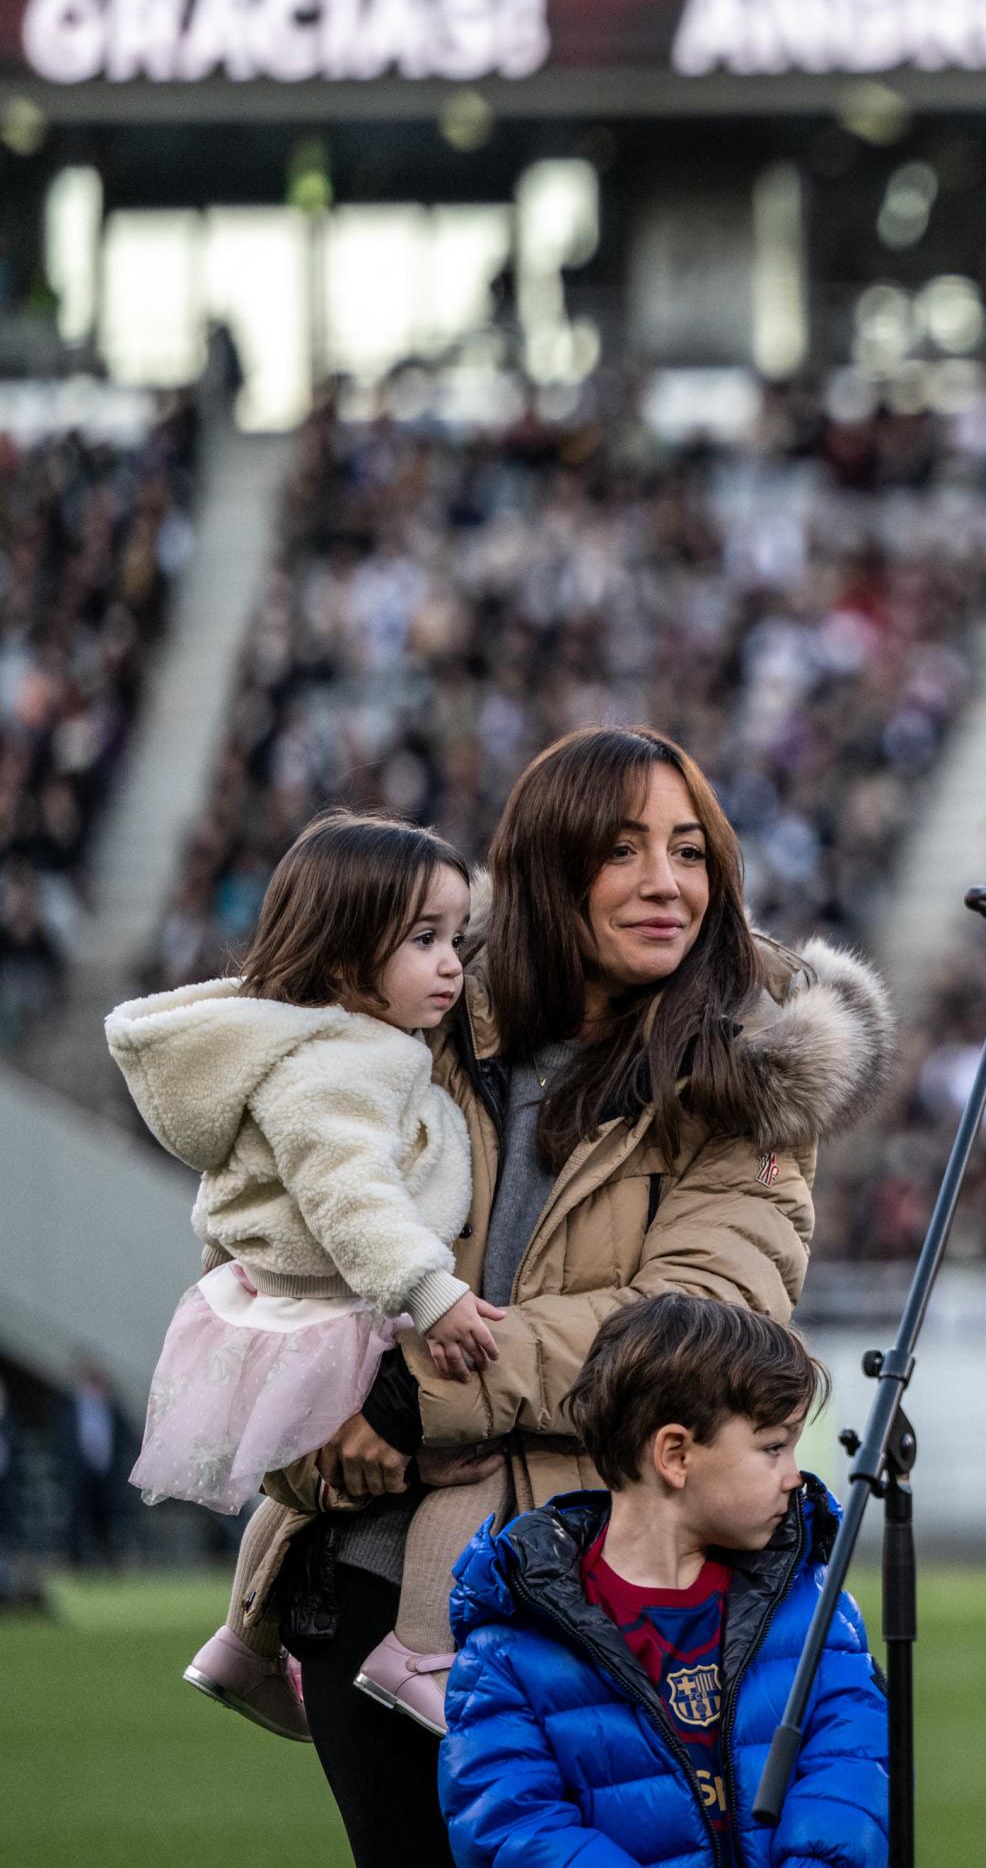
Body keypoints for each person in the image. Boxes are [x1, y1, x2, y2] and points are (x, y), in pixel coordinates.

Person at [227, 726, 897, 1868]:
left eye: (690, 851)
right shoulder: (412, 1018)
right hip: (369, 1574)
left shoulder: (751, 1071)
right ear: (545, 867)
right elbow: (267, 1258)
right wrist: (318, 1428)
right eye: (622, 848)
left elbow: (694, 1330)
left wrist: (407, 1402)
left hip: (598, 1601)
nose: (665, 882)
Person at [106, 812, 505, 1740]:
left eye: (456, 939)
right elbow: (350, 1193)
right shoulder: (335, 1064)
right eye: (423, 941)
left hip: (298, 1310)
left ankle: (244, 1641)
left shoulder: (332, 1047)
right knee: (470, 1468)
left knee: (301, 1497)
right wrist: (431, 1290)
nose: (452, 964)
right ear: (339, 962)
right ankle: (417, 1651)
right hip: (340, 1311)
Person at [439, 1292, 886, 1868]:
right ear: (675, 1454)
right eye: (773, 1447)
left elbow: (853, 1773)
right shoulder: (512, 1642)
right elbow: (513, 1830)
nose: (795, 1475)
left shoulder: (813, 1606)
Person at [55, 1354, 138, 1568]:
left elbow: (123, 1437)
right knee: (78, 1517)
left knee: (107, 1518)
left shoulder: (111, 1405)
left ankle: (109, 1559)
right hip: (80, 1472)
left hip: (106, 1472)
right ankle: (76, 1562)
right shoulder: (69, 1403)